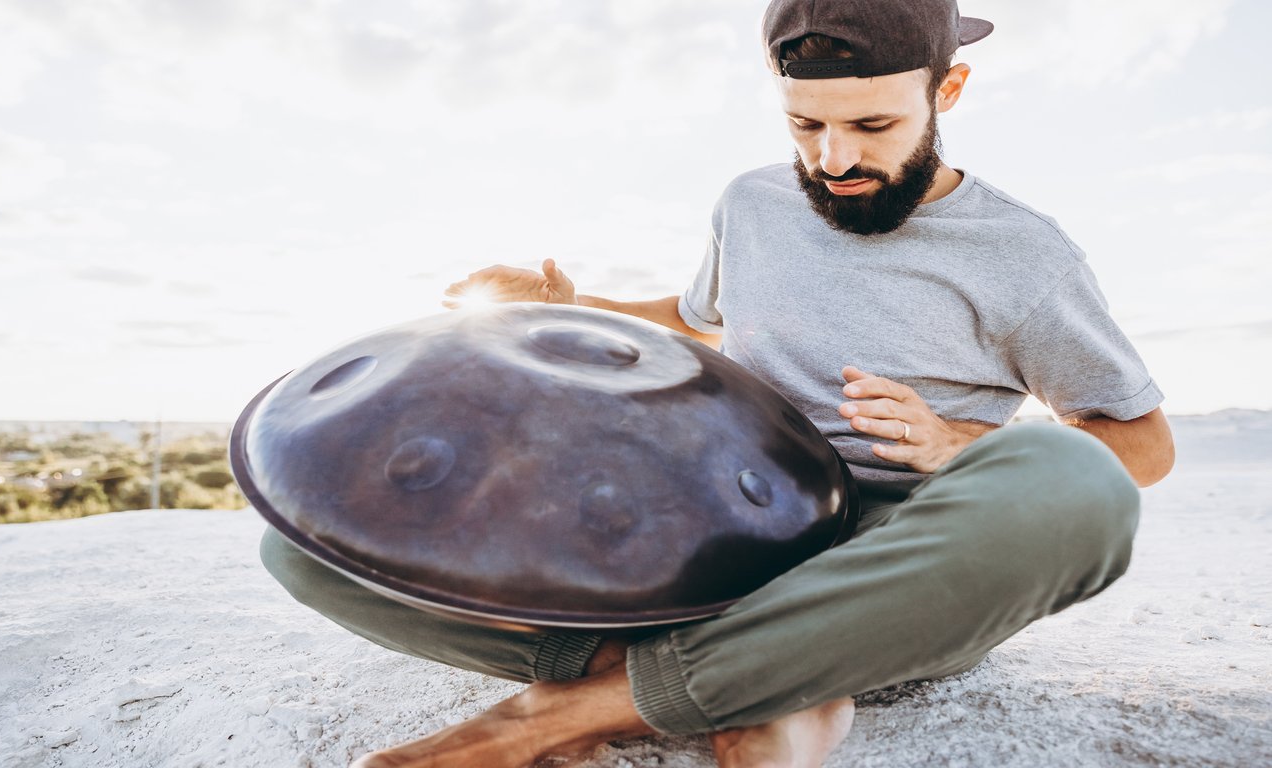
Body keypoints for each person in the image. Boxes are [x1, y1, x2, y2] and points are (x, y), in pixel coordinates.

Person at [260, 1, 1176, 765]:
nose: (834, 161)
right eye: (805, 125)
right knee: (307, 549)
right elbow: (696, 321)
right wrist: (570, 309)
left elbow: (1142, 445)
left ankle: (566, 712)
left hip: (893, 552)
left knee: (1078, 487)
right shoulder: (753, 201)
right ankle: (755, 683)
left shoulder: (1024, 255)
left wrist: (958, 444)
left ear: (949, 90)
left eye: (872, 126)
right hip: (716, 527)